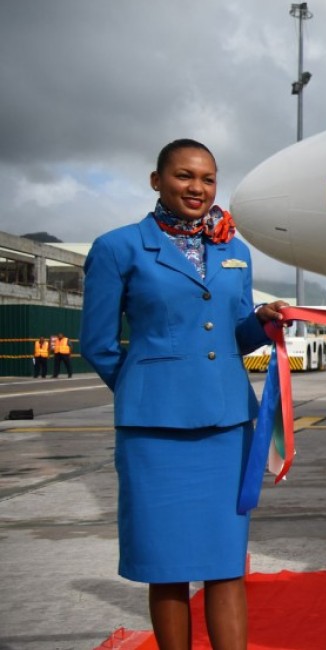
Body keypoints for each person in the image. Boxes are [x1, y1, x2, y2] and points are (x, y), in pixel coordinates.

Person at [80, 138, 288, 650]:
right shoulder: (117, 247)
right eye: (184, 176)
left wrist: (261, 324)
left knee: (225, 564)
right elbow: (98, 344)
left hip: (225, 425)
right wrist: (147, 388)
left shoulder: (234, 251)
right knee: (166, 565)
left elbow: (234, 336)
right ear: (157, 180)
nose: (197, 187)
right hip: (154, 430)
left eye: (207, 178)